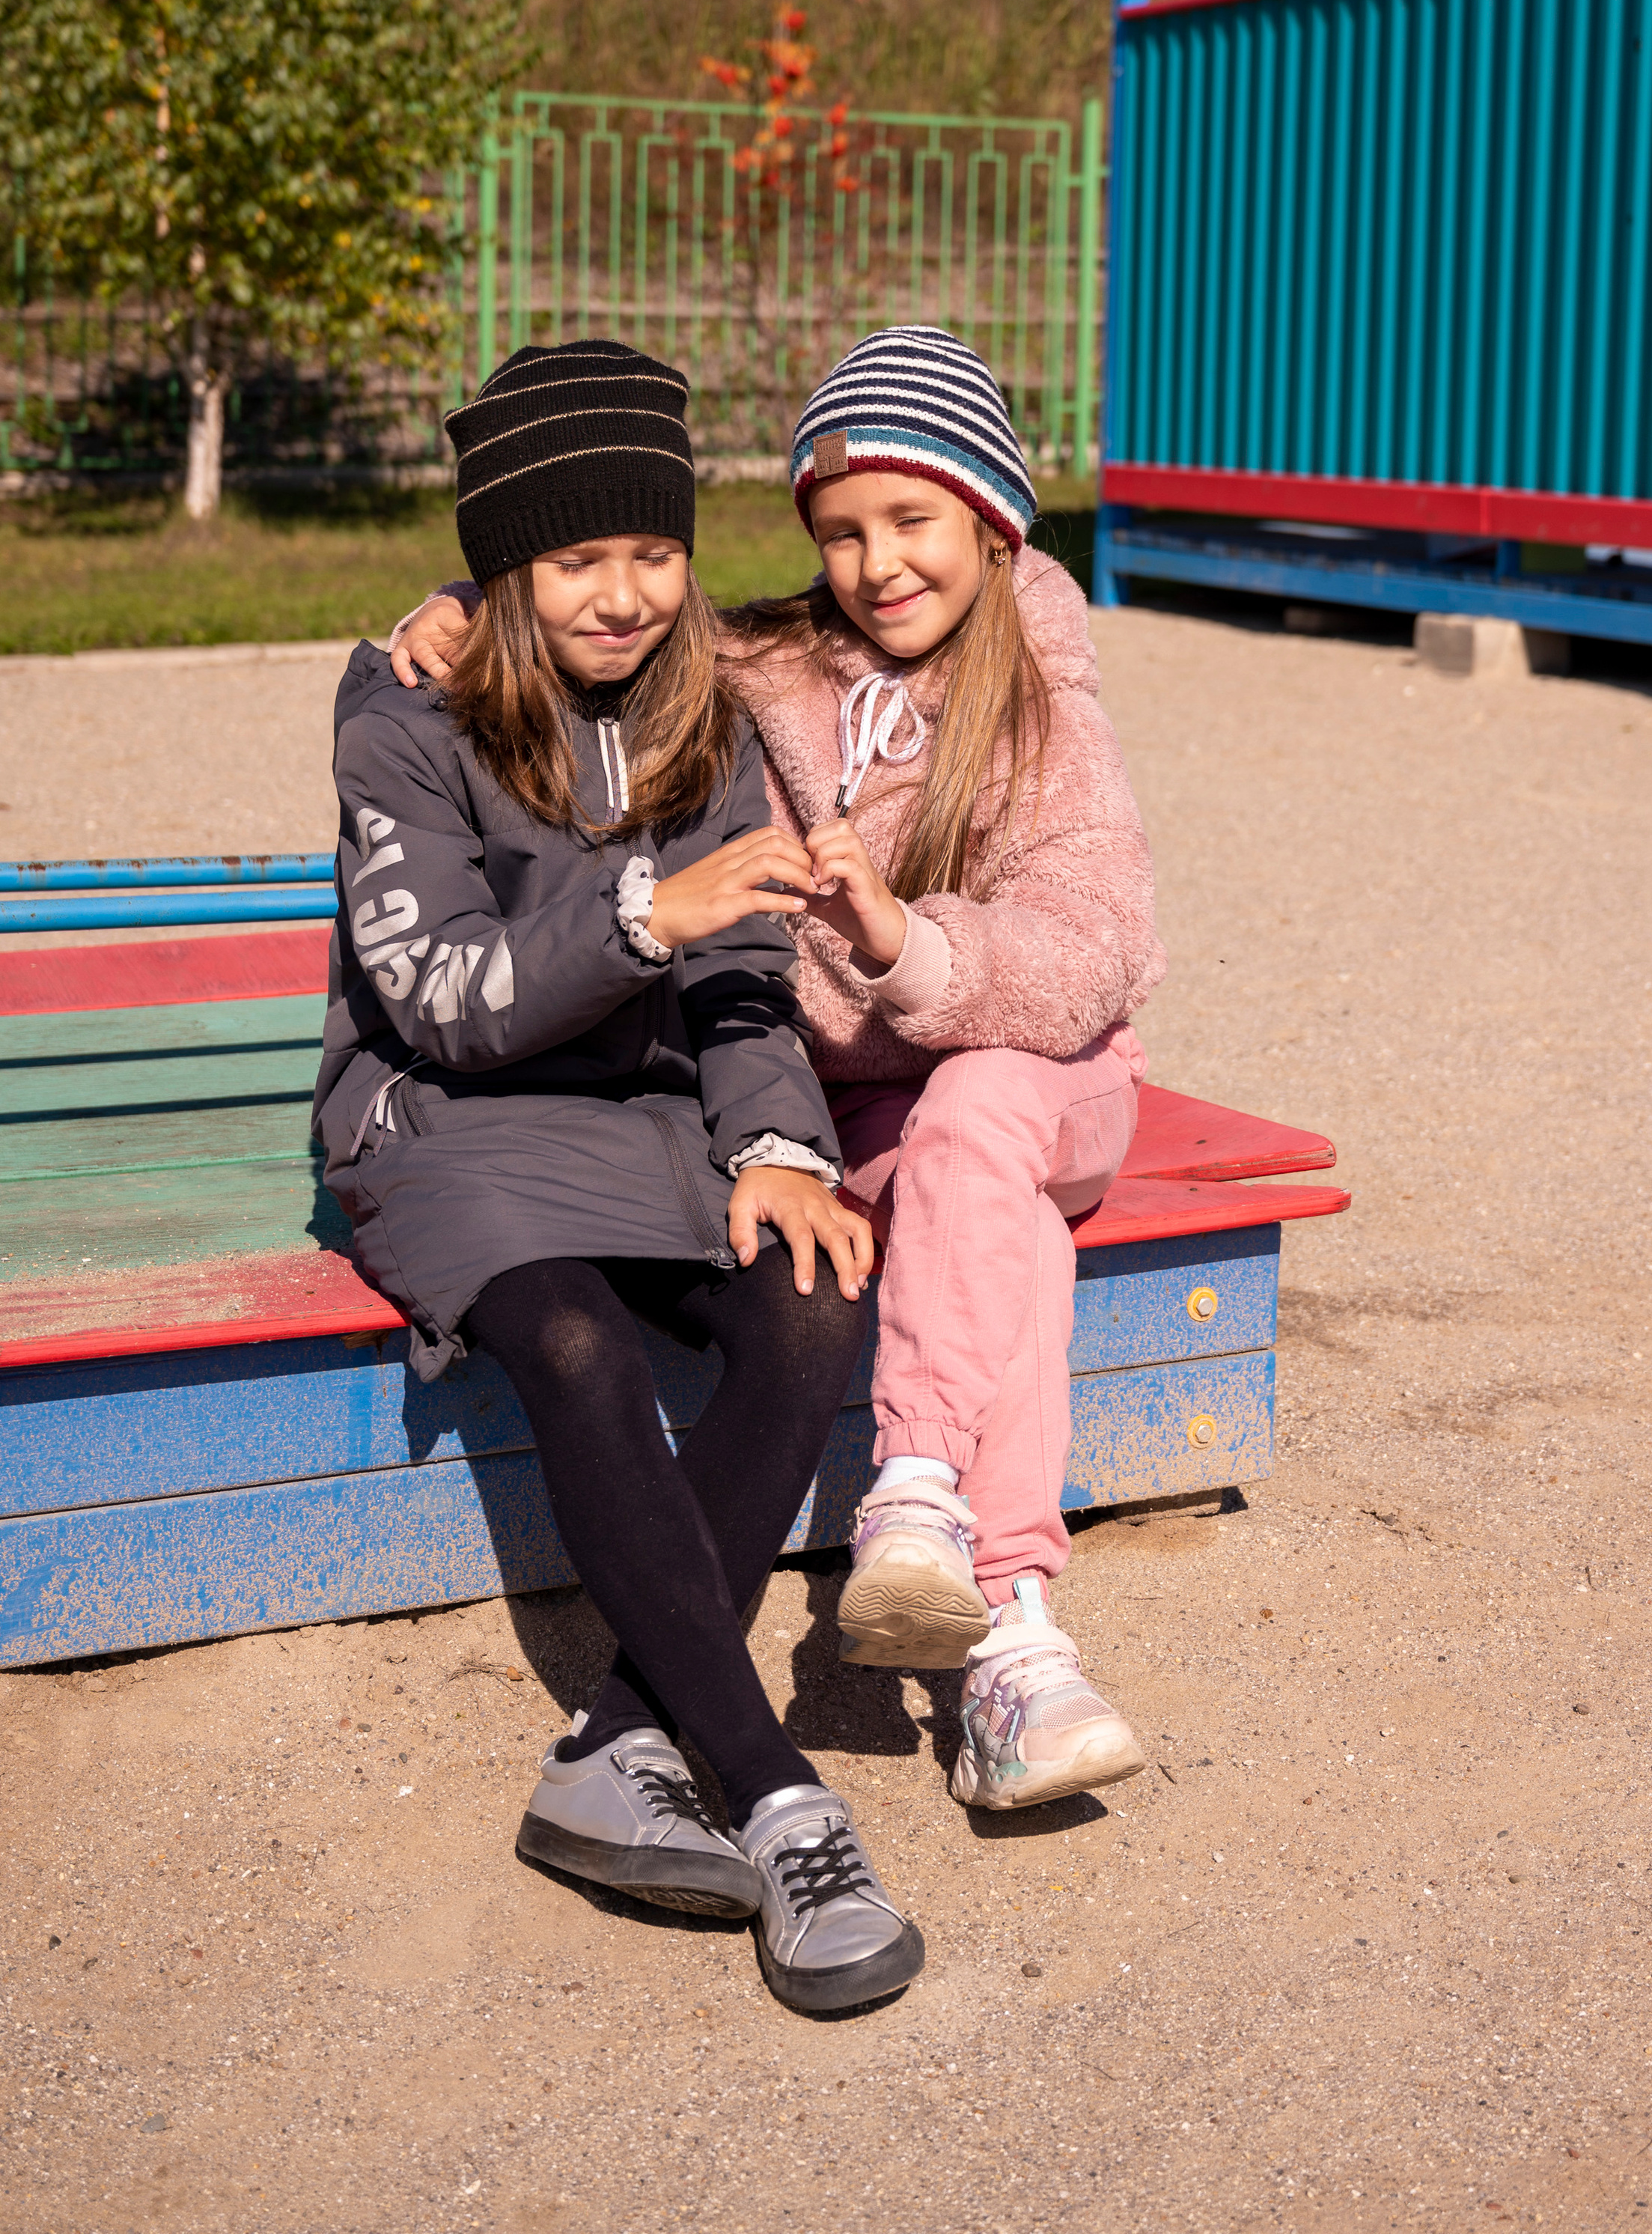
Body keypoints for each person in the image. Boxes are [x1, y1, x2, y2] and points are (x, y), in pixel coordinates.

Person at [392, 326, 1166, 1817]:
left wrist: (906, 938)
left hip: (1046, 1078)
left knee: (980, 1119)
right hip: (868, 1109)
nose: (876, 565)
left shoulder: (1046, 710)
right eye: (838, 533)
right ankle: (1014, 1652)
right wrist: (452, 603)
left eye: (910, 521)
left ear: (992, 515)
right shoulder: (782, 664)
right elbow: (592, 600)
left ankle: (919, 1492)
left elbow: (1089, 954)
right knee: (973, 1209)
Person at [320, 335, 921, 2015]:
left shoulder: (699, 719)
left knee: (809, 1294)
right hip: (447, 1123)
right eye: (574, 557)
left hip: (642, 1118)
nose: (623, 594)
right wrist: (646, 913)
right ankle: (780, 1786)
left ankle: (616, 1741)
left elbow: (739, 983)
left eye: (652, 550)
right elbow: (439, 1000)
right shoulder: (406, 720)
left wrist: (782, 1142)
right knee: (572, 1340)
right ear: (505, 567)